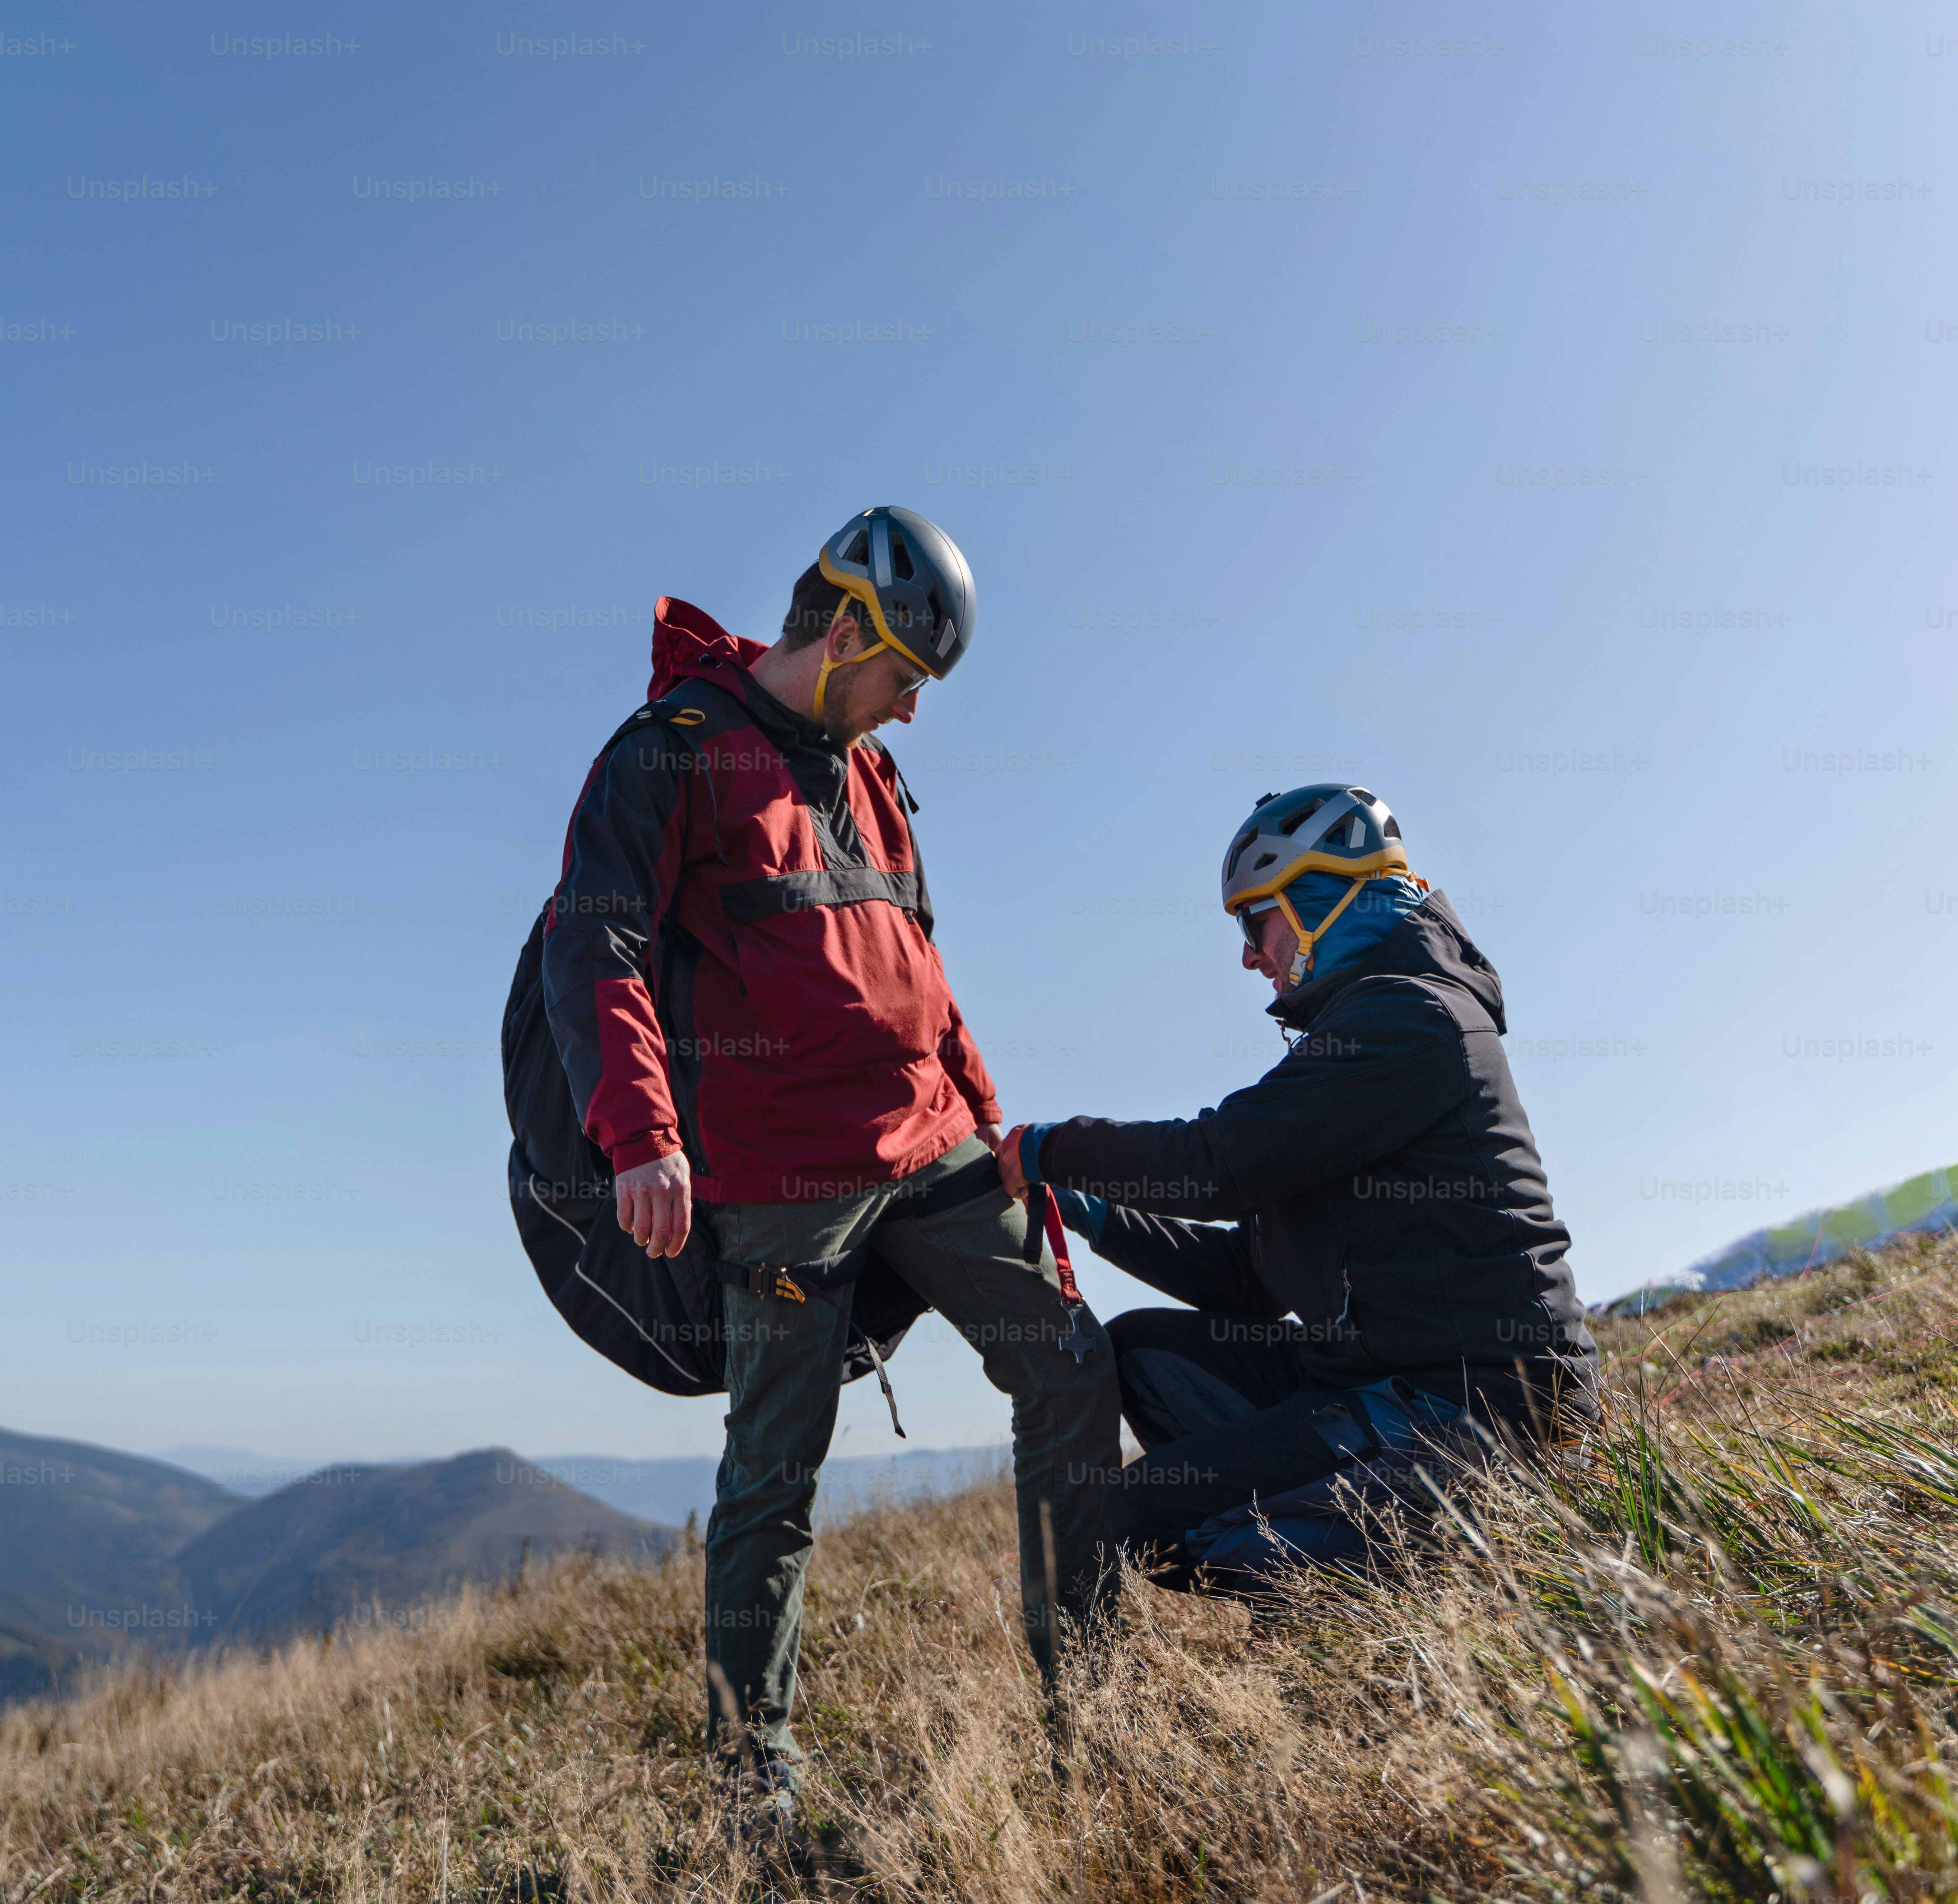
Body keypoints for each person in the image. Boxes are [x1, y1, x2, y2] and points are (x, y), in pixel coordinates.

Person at [540, 507, 1121, 1824]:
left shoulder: (873, 774)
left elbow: (926, 975)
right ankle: (753, 1773)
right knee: (775, 1472)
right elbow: (597, 945)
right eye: (906, 679)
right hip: (782, 1179)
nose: (912, 711)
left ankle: (1088, 1700)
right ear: (848, 632)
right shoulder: (670, 752)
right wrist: (641, 1137)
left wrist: (999, 1137)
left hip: (935, 1143)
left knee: (1073, 1364)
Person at [999, 784, 1597, 1592]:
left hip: (1485, 1404)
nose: (1249, 955)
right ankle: (1347, 1522)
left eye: (1256, 921)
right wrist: (1091, 1210)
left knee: (1154, 1516)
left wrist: (1052, 1149)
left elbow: (1218, 1164)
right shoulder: (1357, 1032)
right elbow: (1246, 1280)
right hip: (1383, 1379)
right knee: (1141, 1351)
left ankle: (1467, 1554)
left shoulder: (1412, 1018)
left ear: (1325, 897)